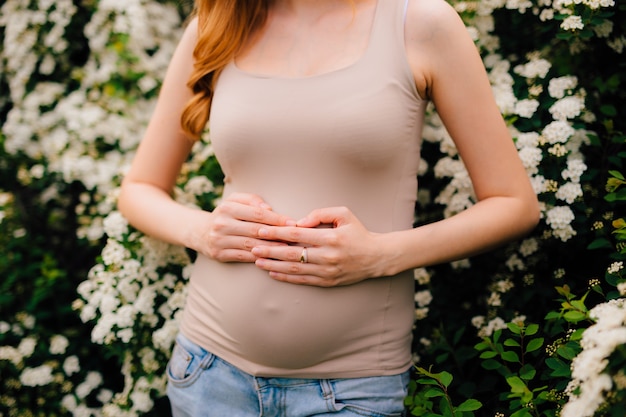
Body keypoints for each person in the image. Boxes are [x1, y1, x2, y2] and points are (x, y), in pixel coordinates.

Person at [117, 0, 540, 415]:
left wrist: (379, 256)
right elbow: (139, 188)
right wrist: (203, 231)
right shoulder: (219, 22)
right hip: (209, 377)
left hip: (351, 391)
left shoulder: (420, 22)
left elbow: (514, 205)